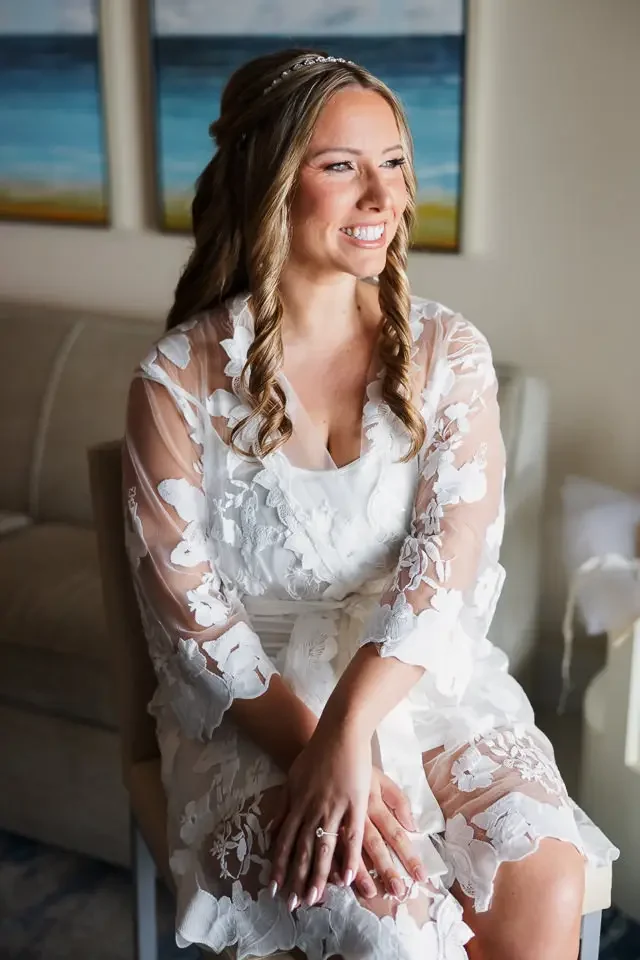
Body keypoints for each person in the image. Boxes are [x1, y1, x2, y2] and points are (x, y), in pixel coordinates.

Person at [122, 49, 614, 960]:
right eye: (341, 166)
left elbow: (449, 569)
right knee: (383, 915)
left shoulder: (448, 355)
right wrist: (314, 748)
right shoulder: (175, 380)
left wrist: (352, 732)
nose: (382, 196)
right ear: (271, 182)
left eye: (392, 163)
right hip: (256, 709)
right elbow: (191, 619)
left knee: (544, 872)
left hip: (423, 684)